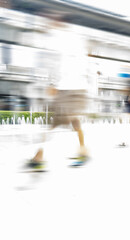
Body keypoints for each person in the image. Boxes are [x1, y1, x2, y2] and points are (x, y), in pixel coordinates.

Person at [26, 12, 90, 169]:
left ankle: (39, 157)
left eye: (52, 21)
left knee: (55, 124)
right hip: (74, 89)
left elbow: (59, 63)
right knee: (72, 122)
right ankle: (82, 152)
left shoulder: (63, 39)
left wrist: (53, 84)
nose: (49, 23)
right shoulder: (74, 38)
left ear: (60, 22)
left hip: (69, 89)